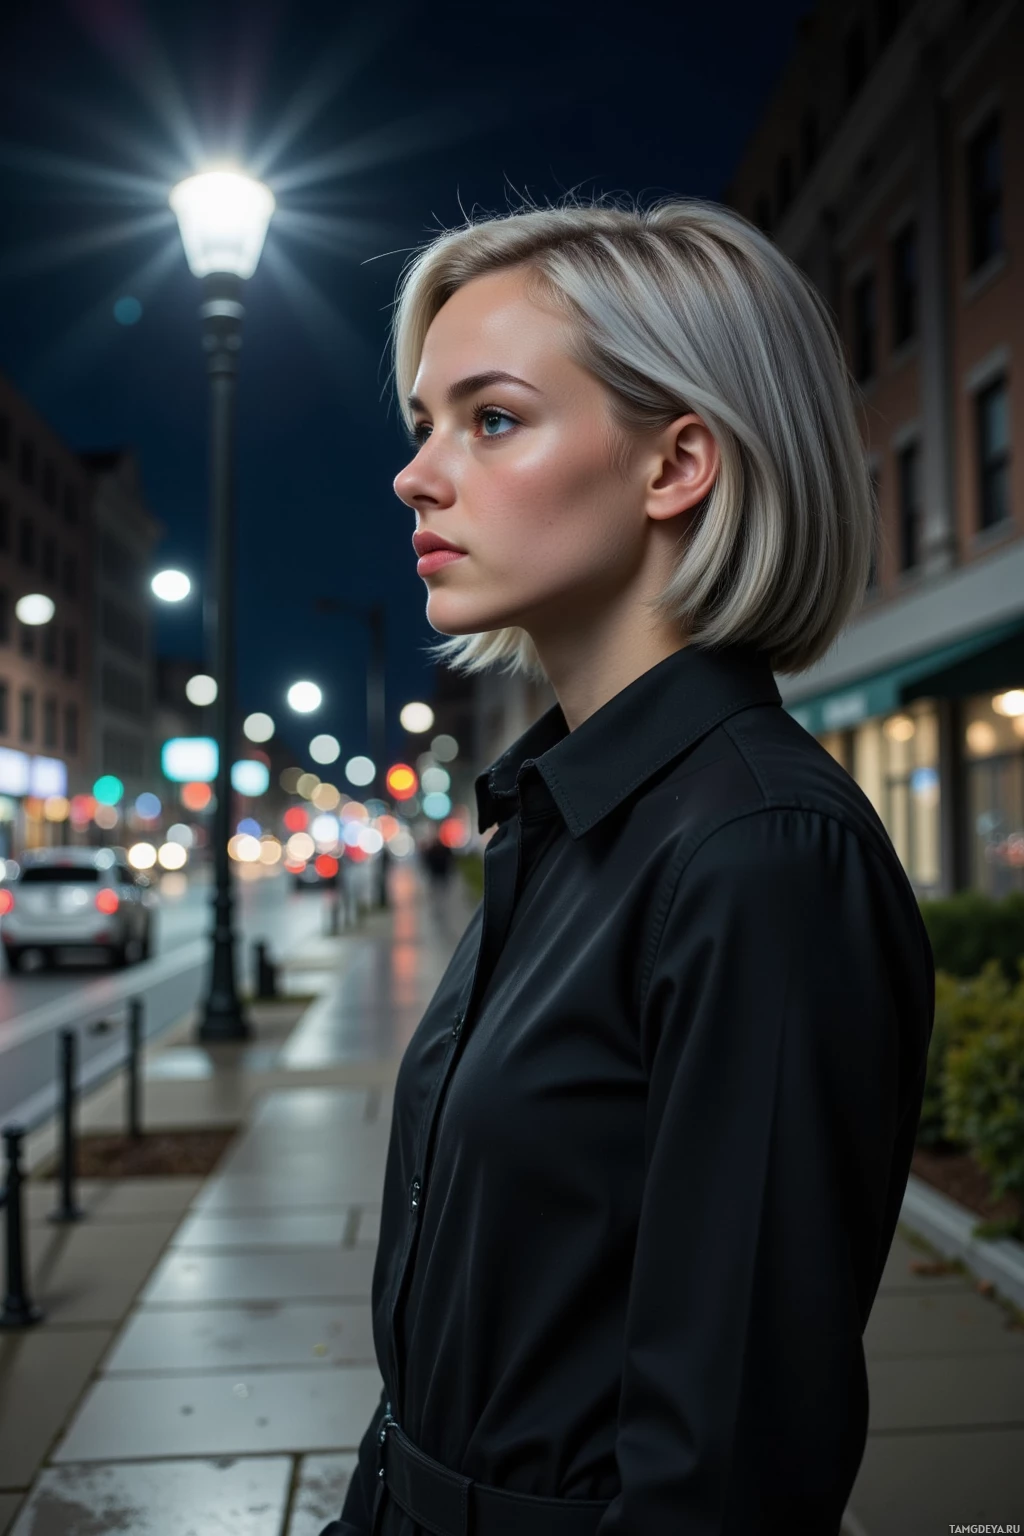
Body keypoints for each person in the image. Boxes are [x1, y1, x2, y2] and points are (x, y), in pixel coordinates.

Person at [320, 195, 935, 1536]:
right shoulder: (561, 820)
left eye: (490, 419)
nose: (417, 474)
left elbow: (728, 1470)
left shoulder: (759, 852)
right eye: (424, 423)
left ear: (676, 468)